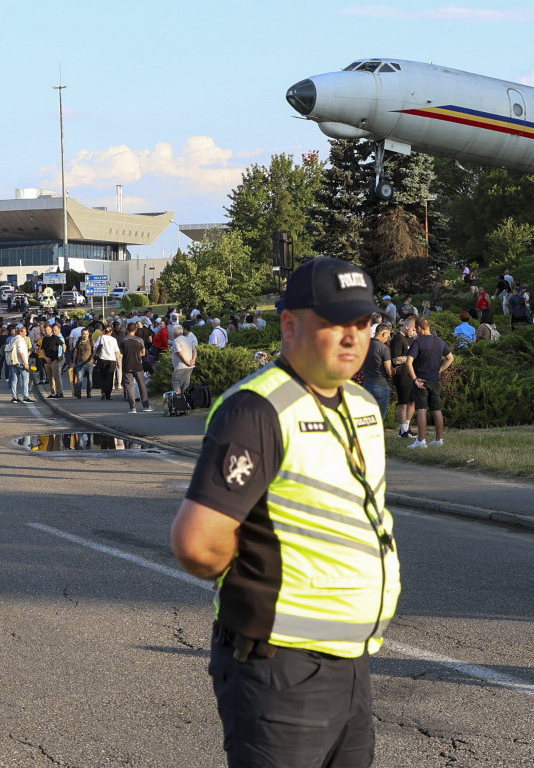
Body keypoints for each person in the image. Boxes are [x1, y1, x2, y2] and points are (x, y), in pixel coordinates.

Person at [169, 257, 399, 768]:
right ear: (289, 324)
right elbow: (198, 541)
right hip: (280, 670)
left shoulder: (362, 405)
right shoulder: (257, 409)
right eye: (335, 322)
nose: (352, 337)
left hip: (353, 665)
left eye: (362, 323)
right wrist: (248, 570)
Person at [403, 316, 454, 449]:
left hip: (421, 380)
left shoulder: (418, 343)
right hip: (435, 380)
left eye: (416, 329)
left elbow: (408, 363)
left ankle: (421, 441)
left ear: (419, 328)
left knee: (421, 410)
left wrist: (414, 379)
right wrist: (439, 371)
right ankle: (439, 439)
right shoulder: (439, 341)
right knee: (437, 410)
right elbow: (450, 358)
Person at [390, 315, 419, 438]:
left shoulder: (412, 339)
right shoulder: (397, 339)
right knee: (403, 403)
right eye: (413, 330)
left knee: (413, 402)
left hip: (412, 375)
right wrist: (410, 358)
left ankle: (407, 427)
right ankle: (402, 431)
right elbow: (395, 360)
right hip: (402, 376)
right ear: (407, 326)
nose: (414, 333)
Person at [362, 321, 394, 425]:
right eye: (388, 335)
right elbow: (389, 371)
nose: (388, 338)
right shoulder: (383, 348)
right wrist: (398, 369)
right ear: (383, 333)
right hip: (381, 385)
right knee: (379, 420)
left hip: (367, 384)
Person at [119, 322, 152, 413]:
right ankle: (146, 406)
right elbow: (143, 352)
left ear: (127, 329)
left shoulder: (123, 340)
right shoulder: (139, 340)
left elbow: (121, 352)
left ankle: (132, 407)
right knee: (142, 385)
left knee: (129, 386)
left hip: (127, 364)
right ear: (136, 330)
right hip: (138, 365)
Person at [93, 324, 121, 400]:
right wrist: (118, 361)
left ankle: (103, 392)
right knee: (110, 377)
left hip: (102, 359)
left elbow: (95, 347)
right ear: (111, 332)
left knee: (102, 377)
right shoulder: (114, 339)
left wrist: (95, 357)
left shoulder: (101, 337)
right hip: (112, 359)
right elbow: (116, 351)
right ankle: (108, 394)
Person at [6, 324, 31, 404]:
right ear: (20, 332)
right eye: (25, 332)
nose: (26, 333)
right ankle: (25, 397)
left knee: (14, 379)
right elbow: (21, 352)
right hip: (20, 362)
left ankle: (14, 397)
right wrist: (25, 363)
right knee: (25, 379)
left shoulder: (13, 339)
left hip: (13, 361)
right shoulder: (20, 340)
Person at [170, 324, 196, 396]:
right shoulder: (188, 339)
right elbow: (194, 350)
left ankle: (179, 402)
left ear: (175, 333)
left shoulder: (176, 341)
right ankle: (186, 401)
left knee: (176, 383)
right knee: (185, 385)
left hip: (181, 366)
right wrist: (193, 360)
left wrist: (186, 361)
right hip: (190, 366)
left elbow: (179, 353)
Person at [41, 322, 65, 398]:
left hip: (55, 360)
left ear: (51, 330)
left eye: (48, 330)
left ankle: (59, 392)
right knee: (49, 377)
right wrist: (45, 357)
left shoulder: (55, 338)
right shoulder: (44, 339)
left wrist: (62, 355)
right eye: (45, 330)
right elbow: (42, 349)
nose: (46, 331)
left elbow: (63, 345)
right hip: (47, 361)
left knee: (56, 376)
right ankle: (52, 392)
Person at [73, 327, 95, 398]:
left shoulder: (91, 341)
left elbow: (94, 352)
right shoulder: (78, 341)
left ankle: (89, 392)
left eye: (86, 334)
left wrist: (94, 360)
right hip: (80, 362)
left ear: (88, 334)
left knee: (90, 379)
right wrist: (74, 362)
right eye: (83, 334)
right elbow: (75, 352)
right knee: (79, 379)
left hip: (89, 363)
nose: (84, 336)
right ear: (81, 334)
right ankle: (78, 393)